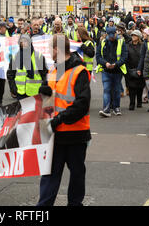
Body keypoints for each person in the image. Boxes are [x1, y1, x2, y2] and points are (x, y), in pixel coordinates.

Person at [37, 34, 91, 206]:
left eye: (49, 49)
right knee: (49, 175)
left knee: (76, 175)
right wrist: (44, 93)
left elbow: (82, 105)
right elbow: (52, 99)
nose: (48, 53)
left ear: (57, 49)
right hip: (54, 134)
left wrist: (59, 119)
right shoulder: (53, 70)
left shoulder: (79, 71)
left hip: (75, 133)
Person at [96, 26, 128, 117]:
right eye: (109, 35)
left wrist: (116, 64)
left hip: (117, 70)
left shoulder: (121, 42)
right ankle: (106, 109)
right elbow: (98, 56)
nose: (111, 37)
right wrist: (105, 63)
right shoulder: (102, 42)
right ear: (106, 34)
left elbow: (124, 56)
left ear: (115, 33)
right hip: (106, 70)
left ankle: (116, 107)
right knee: (106, 89)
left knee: (116, 90)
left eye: (112, 35)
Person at [7, 34, 48, 100]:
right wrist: (13, 89)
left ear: (30, 42)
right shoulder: (15, 57)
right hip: (20, 92)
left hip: (35, 91)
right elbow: (10, 74)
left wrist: (43, 87)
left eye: (25, 41)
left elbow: (45, 74)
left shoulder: (38, 56)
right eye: (21, 42)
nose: (24, 43)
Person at [125, 30, 145, 110]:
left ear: (139, 37)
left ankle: (139, 102)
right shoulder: (128, 46)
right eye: (132, 35)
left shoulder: (143, 46)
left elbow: (143, 57)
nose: (133, 37)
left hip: (140, 69)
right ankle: (132, 103)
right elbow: (126, 57)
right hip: (130, 68)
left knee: (140, 87)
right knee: (131, 87)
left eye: (135, 35)